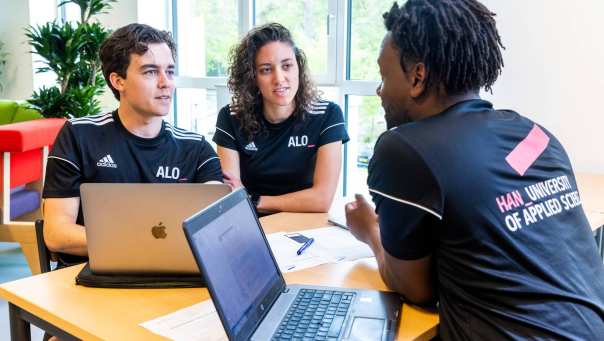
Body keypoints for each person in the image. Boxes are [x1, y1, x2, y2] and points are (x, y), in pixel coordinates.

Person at [345, 1, 604, 339]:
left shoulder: (404, 149)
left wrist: (369, 231)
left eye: (383, 75)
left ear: (418, 77)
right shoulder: (535, 136)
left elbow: (417, 291)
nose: (380, 90)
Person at [42, 24, 222, 267]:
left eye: (169, 71)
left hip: (171, 275)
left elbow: (213, 229)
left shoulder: (197, 149)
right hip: (94, 279)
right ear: (118, 81)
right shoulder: (78, 135)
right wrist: (147, 243)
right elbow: (56, 234)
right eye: (150, 72)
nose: (165, 83)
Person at [213, 23, 349, 214]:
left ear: (298, 68)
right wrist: (248, 201)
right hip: (253, 223)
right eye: (266, 70)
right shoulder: (231, 117)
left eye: (287, 66)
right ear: (252, 78)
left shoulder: (327, 114)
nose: (280, 78)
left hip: (308, 224)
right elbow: (231, 197)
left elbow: (321, 199)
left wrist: (256, 200)